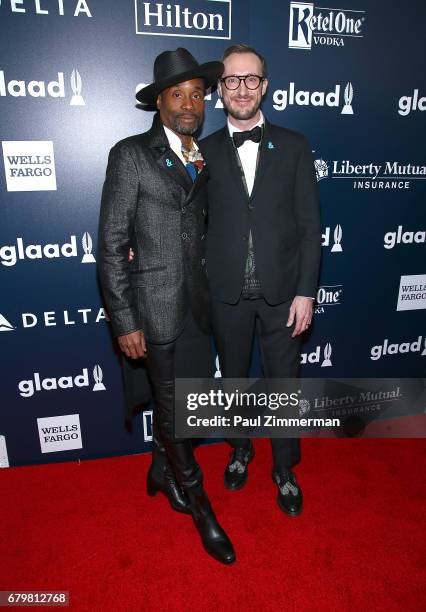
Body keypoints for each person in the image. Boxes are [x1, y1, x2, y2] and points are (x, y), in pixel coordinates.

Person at [97, 48, 235, 564]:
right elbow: (111, 244)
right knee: (175, 406)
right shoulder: (130, 154)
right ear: (159, 102)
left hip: (197, 309)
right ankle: (199, 502)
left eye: (197, 95)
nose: (188, 104)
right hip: (151, 310)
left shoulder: (205, 157)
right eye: (177, 94)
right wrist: (124, 319)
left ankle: (161, 471)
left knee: (187, 406)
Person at [199, 44, 321, 517]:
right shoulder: (202, 152)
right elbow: (188, 224)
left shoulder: (294, 145)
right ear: (220, 91)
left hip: (282, 295)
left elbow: (311, 228)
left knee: (283, 386)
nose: (242, 88)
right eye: (232, 80)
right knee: (232, 381)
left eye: (251, 79)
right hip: (226, 293)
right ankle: (240, 448)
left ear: (265, 86)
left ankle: (285, 468)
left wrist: (306, 291)